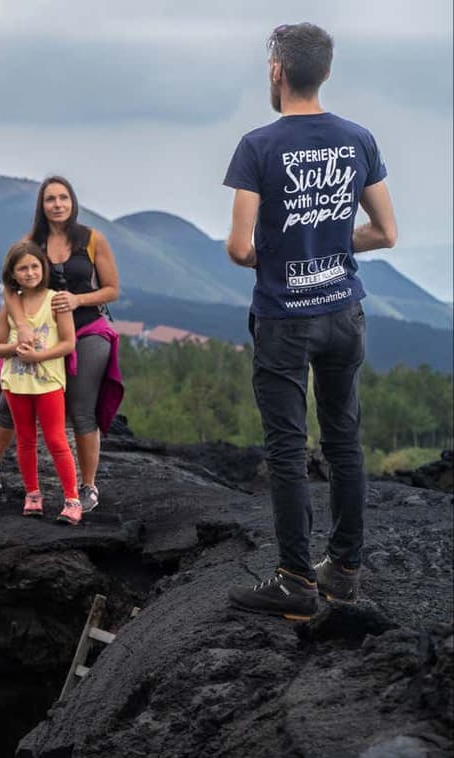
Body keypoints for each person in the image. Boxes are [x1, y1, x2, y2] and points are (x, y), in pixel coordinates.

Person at [223, 23, 397, 619]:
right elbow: (386, 233)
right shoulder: (357, 139)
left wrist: (288, 249)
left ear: (277, 70)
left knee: (288, 447)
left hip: (284, 318)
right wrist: (329, 244)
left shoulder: (258, 146)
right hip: (345, 310)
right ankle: (343, 570)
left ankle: (295, 581)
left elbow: (240, 248)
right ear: (323, 71)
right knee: (345, 440)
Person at [0, 177, 123, 512]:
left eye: (63, 198)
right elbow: (8, 285)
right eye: (50, 199)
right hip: (39, 333)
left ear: (73, 202)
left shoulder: (93, 240)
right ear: (41, 205)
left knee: (80, 409)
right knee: (9, 400)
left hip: (87, 330)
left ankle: (87, 487)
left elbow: (112, 290)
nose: (57, 204)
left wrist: (77, 300)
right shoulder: (31, 241)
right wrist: (19, 326)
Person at [0, 241, 80, 522]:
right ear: (13, 274)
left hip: (48, 382)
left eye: (34, 266)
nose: (30, 273)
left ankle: (72, 499)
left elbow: (68, 343)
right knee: (25, 439)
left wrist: (38, 356)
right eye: (22, 268)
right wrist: (16, 348)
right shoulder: (10, 305)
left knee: (56, 439)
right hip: (16, 383)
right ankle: (32, 493)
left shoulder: (56, 300)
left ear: (43, 267)